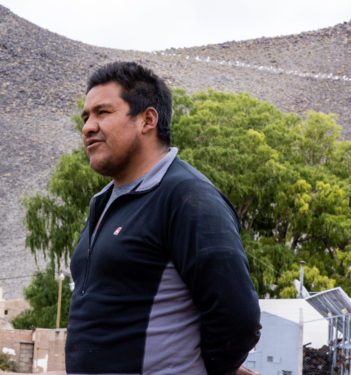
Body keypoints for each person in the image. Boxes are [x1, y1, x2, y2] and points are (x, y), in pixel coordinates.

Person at [65, 62, 261, 375]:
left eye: (103, 112)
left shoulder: (189, 198)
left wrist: (204, 368)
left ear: (147, 119)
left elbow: (238, 318)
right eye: (86, 117)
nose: (88, 127)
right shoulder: (103, 203)